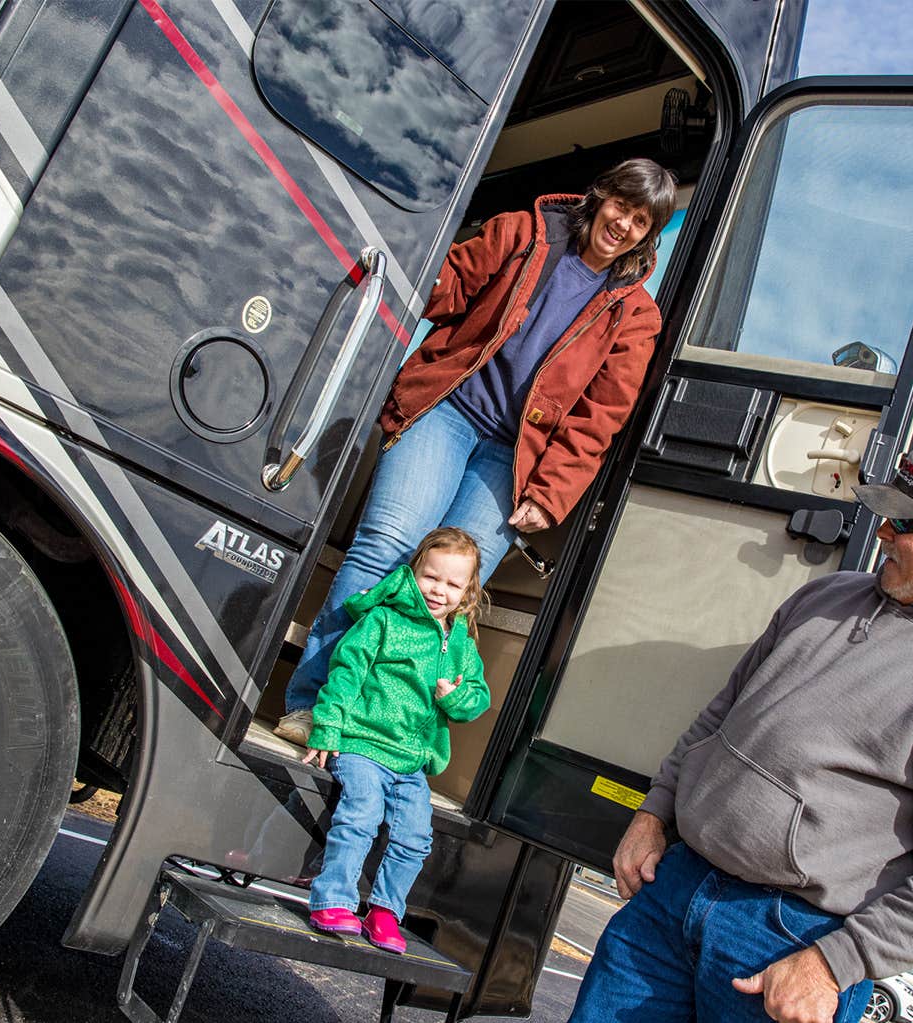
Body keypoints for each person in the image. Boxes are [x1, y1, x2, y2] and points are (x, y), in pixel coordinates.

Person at [569, 439, 913, 1023]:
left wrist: (833, 964)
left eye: (902, 521)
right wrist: (653, 813)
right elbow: (722, 714)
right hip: (674, 887)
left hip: (790, 944)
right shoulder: (825, 595)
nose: (881, 534)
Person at [276, 158, 678, 745]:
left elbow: (600, 418)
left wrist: (549, 494)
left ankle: (380, 733)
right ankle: (312, 704)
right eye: (622, 205)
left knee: (454, 593)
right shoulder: (525, 233)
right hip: (447, 411)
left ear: (649, 234)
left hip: (513, 457)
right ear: (602, 195)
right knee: (386, 547)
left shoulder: (636, 317)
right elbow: (449, 281)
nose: (623, 225)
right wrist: (399, 268)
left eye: (642, 222)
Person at [300, 527, 491, 954]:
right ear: (413, 573)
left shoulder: (461, 643)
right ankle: (332, 900)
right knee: (361, 814)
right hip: (362, 744)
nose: (439, 590)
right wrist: (327, 728)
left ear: (468, 592)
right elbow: (345, 675)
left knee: (415, 837)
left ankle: (385, 912)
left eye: (452, 584)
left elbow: (478, 697)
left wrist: (456, 696)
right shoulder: (383, 620)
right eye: (431, 577)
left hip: (412, 762)